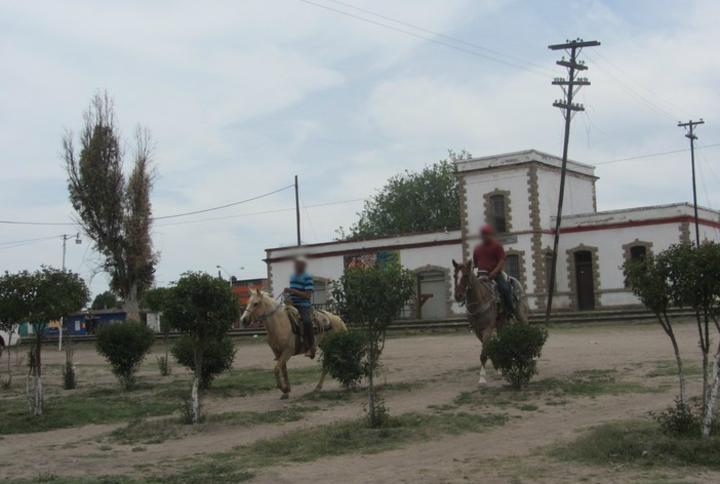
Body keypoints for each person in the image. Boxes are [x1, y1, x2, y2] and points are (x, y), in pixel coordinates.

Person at [473, 224, 513, 315]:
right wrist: (475, 273)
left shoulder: (497, 246)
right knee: (471, 291)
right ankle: (473, 314)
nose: (484, 236)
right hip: (481, 276)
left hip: (495, 275)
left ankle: (510, 310)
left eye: (486, 234)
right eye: (483, 234)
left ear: (490, 235)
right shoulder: (477, 249)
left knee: (505, 289)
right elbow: (475, 264)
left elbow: (502, 260)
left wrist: (494, 272)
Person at [285, 256, 316, 358]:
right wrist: (288, 296)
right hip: (292, 304)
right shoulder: (292, 276)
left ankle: (311, 347)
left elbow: (307, 295)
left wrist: (292, 291)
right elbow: (292, 292)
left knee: (306, 321)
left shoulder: (307, 277)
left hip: (303, 305)